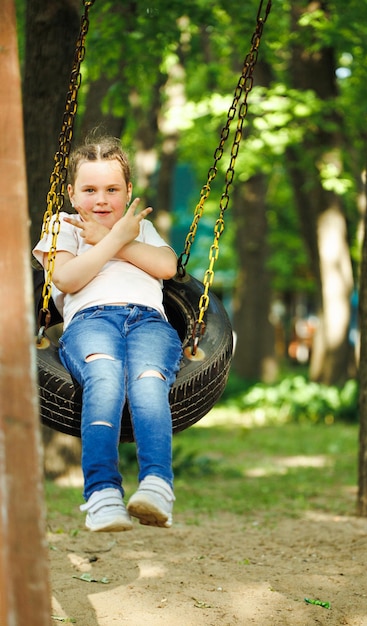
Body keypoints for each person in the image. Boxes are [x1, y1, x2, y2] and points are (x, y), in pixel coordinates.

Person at [33, 135, 183, 532]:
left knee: (149, 382)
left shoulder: (141, 227)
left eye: (112, 189)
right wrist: (114, 239)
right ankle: (102, 494)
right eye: (90, 189)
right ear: (71, 193)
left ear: (129, 191)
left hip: (149, 322)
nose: (101, 199)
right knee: (105, 380)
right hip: (91, 323)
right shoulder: (62, 226)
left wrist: (118, 238)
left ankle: (156, 486)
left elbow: (167, 266)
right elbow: (66, 276)